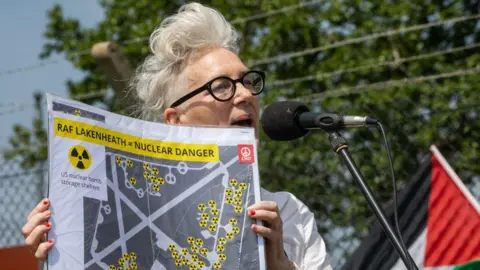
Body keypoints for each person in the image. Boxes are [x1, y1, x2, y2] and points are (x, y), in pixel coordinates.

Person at [21, 3, 332, 269]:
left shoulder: (288, 213)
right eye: (221, 86)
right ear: (176, 120)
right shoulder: (126, 219)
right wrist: (58, 253)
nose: (244, 95)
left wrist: (280, 264)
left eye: (248, 81)